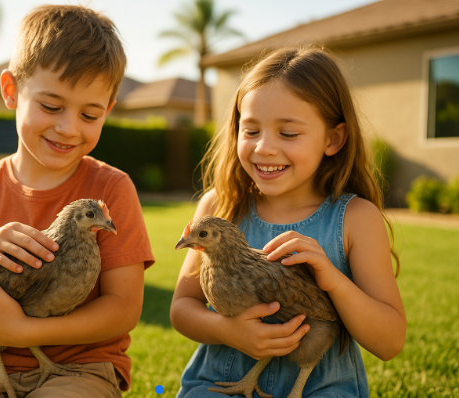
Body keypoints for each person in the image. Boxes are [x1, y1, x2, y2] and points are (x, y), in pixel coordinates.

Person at [0, 5, 154, 398]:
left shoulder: (111, 190)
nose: (68, 128)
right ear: (11, 91)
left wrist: (25, 332)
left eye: (89, 115)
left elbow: (123, 309)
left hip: (80, 368)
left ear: (108, 110)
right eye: (51, 106)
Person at [170, 47, 406, 397]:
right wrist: (227, 330)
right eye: (250, 131)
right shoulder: (220, 207)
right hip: (220, 383)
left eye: (288, 134)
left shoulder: (356, 219)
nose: (264, 147)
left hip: (320, 389)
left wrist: (333, 281)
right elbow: (181, 308)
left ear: (333, 139)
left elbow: (389, 343)